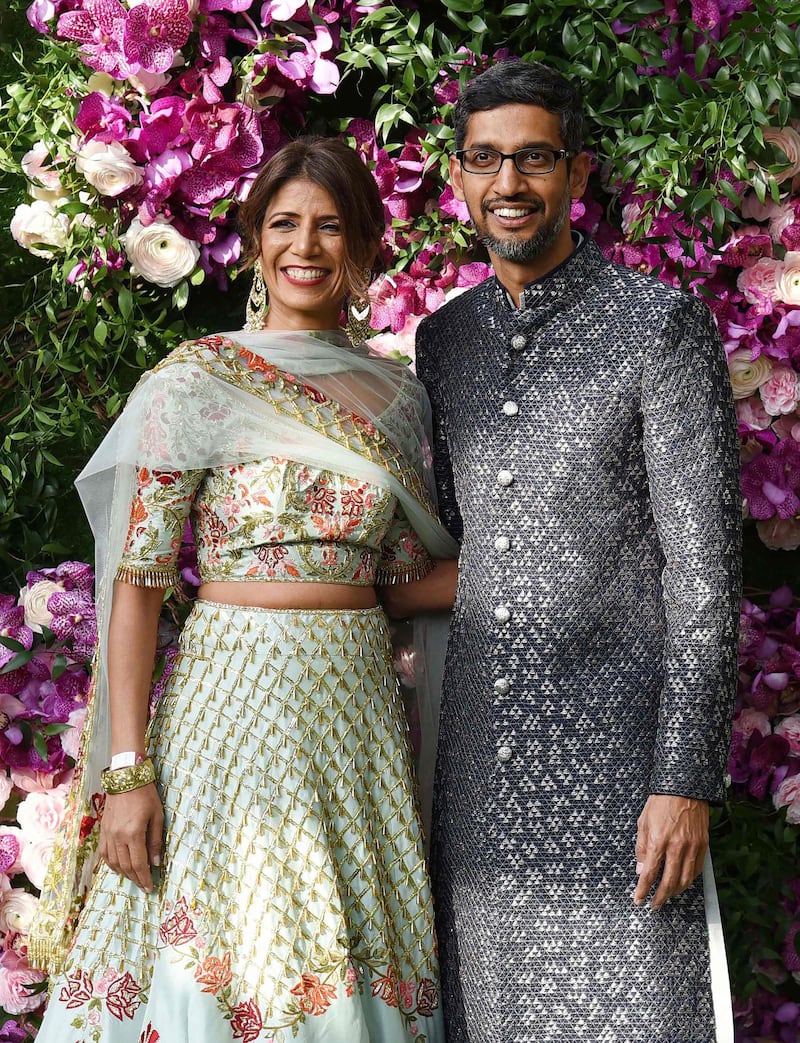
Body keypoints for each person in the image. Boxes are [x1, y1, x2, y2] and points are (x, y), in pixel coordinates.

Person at [29, 136, 457, 1043]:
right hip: (231, 705)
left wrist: (544, 563)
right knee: (230, 940)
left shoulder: (399, 397)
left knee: (344, 951)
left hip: (353, 713)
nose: (306, 245)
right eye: (285, 223)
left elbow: (399, 581)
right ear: (257, 239)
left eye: (331, 225)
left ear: (364, 246)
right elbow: (139, 583)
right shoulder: (199, 381)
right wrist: (129, 772)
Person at [410, 60, 741, 1042]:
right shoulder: (443, 342)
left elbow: (703, 575)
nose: (507, 183)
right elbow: (463, 548)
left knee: (633, 1010)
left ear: (577, 173)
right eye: (484, 160)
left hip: (615, 760)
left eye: (532, 158)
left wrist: (682, 777)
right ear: (458, 178)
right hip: (475, 762)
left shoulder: (658, 327)